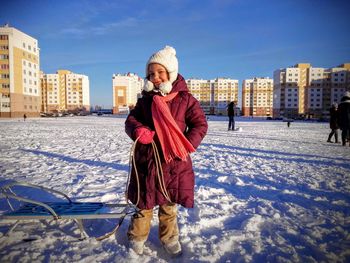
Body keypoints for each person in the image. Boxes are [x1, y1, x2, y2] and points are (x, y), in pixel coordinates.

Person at [125, 46, 208, 256]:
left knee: (168, 206)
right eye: (151, 74)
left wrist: (185, 144)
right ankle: (137, 238)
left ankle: (169, 238)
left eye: (160, 72)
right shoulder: (145, 100)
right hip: (146, 160)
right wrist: (138, 129)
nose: (155, 77)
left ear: (170, 73)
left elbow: (200, 124)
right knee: (143, 205)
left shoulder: (186, 99)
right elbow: (131, 120)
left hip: (173, 162)